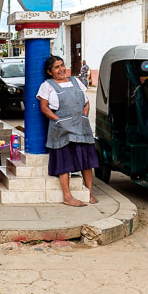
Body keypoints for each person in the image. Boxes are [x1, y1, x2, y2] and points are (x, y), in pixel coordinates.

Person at [37, 55, 99, 207]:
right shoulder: (47, 85)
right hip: (61, 128)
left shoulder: (76, 81)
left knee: (86, 161)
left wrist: (85, 114)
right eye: (56, 67)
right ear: (50, 72)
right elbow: (44, 107)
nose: (61, 69)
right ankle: (67, 196)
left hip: (81, 126)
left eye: (62, 65)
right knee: (64, 162)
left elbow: (86, 101)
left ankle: (90, 192)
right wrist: (57, 120)